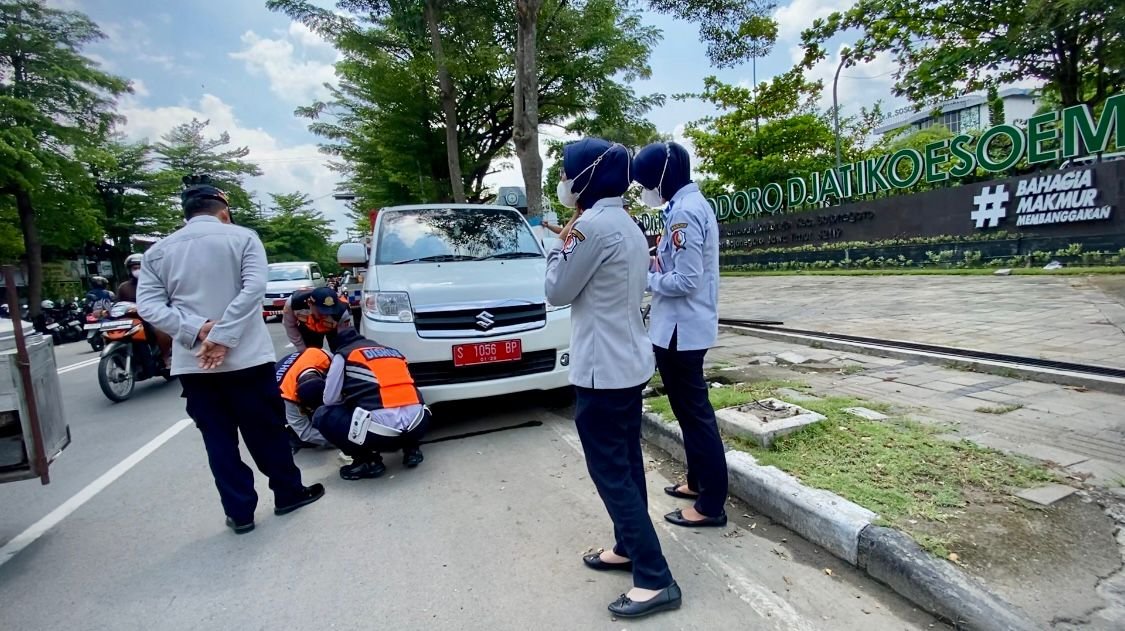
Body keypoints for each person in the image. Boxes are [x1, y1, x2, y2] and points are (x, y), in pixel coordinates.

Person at [137, 175, 324, 535]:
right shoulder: (243, 238)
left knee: (218, 439)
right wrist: (222, 335)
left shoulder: (158, 252)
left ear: (187, 214)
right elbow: (254, 290)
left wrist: (199, 330)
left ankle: (240, 514)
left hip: (195, 364)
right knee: (266, 431)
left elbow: (149, 306)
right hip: (247, 359)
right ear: (223, 212)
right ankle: (288, 494)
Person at [545, 138, 680, 619]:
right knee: (625, 462)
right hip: (626, 363)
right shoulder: (626, 222)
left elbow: (557, 289)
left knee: (610, 472)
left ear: (587, 176)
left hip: (601, 369)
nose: (564, 181)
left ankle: (654, 577)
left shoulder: (589, 228)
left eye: (567, 172)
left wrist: (557, 245)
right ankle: (628, 546)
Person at [633, 141, 728, 528]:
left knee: (695, 414)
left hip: (680, 331)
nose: (644, 190)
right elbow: (678, 265)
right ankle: (697, 482)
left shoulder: (685, 213)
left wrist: (646, 278)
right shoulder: (685, 207)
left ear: (662, 176)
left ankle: (711, 505)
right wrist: (656, 263)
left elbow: (686, 280)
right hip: (680, 327)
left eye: (645, 183)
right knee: (688, 412)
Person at [302, 291, 429, 481]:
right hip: (419, 425)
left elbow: (330, 400)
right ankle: (412, 449)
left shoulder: (344, 355)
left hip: (383, 435)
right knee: (405, 392)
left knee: (323, 414)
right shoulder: (391, 352)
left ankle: (367, 462)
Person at [117, 253, 173, 368]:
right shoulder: (123, 287)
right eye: (134, 268)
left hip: (150, 318)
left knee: (161, 331)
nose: (137, 270)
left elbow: (164, 300)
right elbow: (118, 304)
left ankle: (166, 357)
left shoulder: (155, 284)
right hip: (131, 320)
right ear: (129, 270)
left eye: (140, 268)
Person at [275, 347, 334, 453]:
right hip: (270, 397)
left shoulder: (323, 356)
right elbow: (305, 432)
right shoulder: (288, 395)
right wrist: (339, 440)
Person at [282, 287, 352, 351]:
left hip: (333, 328)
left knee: (339, 350)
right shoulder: (293, 303)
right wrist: (301, 348)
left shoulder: (342, 311)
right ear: (310, 303)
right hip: (309, 327)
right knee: (311, 352)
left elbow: (344, 337)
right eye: (321, 311)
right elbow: (290, 326)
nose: (325, 315)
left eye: (330, 311)